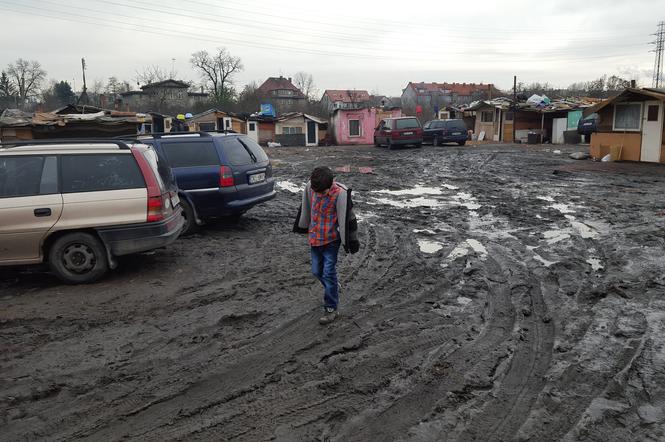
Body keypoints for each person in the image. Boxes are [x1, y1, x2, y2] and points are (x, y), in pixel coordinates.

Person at [293, 166, 359, 324]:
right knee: (317, 271)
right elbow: (306, 208)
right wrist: (301, 226)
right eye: (316, 192)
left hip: (331, 241)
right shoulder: (312, 188)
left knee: (328, 272)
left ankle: (331, 308)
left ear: (330, 185)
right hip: (315, 240)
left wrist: (353, 240)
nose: (319, 195)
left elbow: (350, 220)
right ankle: (334, 287)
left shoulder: (340, 195)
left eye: (322, 192)